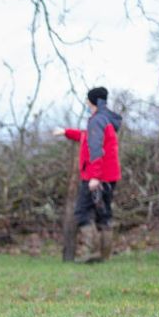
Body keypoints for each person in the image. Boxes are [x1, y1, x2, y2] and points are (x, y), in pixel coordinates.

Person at [52, 87, 123, 263]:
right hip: (109, 176)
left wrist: (94, 177)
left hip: (97, 177)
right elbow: (86, 137)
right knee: (104, 215)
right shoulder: (105, 119)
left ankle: (91, 252)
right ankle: (103, 256)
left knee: (82, 212)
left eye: (87, 100)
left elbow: (96, 149)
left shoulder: (97, 120)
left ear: (92, 101)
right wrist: (66, 132)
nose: (86, 103)